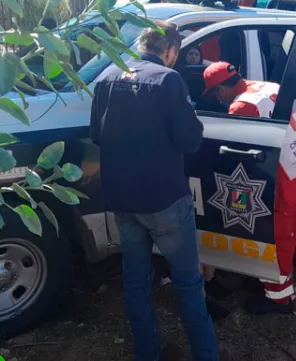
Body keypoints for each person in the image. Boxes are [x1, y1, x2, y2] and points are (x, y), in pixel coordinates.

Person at [90, 20, 220, 361]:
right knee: (188, 283)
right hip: (164, 201)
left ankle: (148, 353)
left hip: (122, 199)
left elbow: (97, 135)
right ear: (171, 50)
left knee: (135, 279)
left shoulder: (106, 77)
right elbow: (191, 140)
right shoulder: (167, 79)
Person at [202, 61, 296, 315]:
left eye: (215, 93)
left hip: (283, 176)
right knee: (288, 232)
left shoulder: (242, 106)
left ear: (221, 88)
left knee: (275, 236)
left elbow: (232, 149)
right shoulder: (267, 86)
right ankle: (267, 279)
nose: (218, 98)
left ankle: (280, 299)